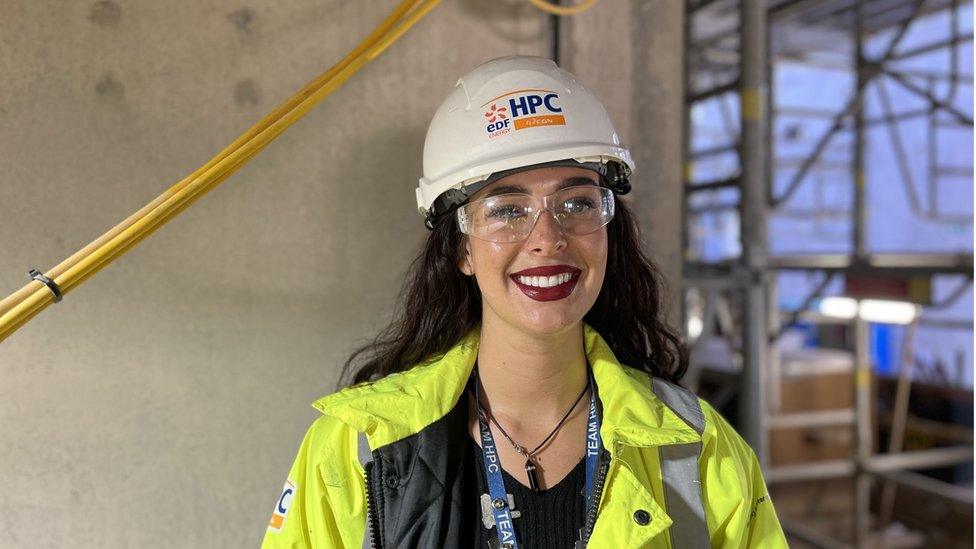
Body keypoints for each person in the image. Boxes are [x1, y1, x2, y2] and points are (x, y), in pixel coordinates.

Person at [261, 55, 787, 548]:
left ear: (610, 231)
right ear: (461, 249)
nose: (548, 238)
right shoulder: (357, 454)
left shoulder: (697, 450)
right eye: (508, 210)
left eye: (577, 202)